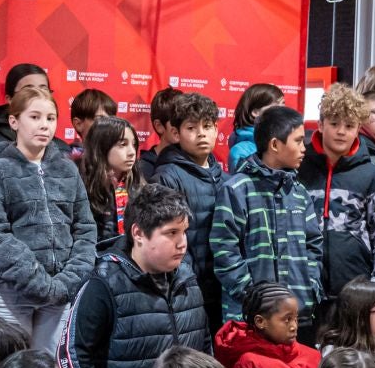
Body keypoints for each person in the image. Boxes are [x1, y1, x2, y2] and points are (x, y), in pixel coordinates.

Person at [61, 183, 210, 368]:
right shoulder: (103, 284)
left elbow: (203, 345)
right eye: (171, 233)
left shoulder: (187, 277)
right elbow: (72, 356)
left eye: (184, 231)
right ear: (138, 233)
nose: (182, 243)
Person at [0, 84, 96, 348]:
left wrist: (65, 281)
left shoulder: (66, 169)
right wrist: (39, 282)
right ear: (14, 121)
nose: (44, 125)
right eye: (35, 117)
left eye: (50, 118)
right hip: (10, 291)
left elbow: (85, 228)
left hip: (60, 292)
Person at [210, 103, 322, 326]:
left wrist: (311, 286)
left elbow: (314, 245)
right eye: (298, 141)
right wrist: (253, 297)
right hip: (249, 318)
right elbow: (224, 249)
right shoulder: (237, 189)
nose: (304, 148)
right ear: (274, 145)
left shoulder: (299, 192)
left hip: (297, 316)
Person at [297, 84, 375, 315]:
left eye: (349, 125)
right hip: (303, 287)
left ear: (358, 129)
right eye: (334, 124)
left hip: (355, 290)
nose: (341, 131)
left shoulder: (370, 174)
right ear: (320, 125)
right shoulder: (298, 168)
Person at [149, 89, 226, 327]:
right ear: (176, 132)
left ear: (216, 129)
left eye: (207, 126)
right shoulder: (166, 177)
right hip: (186, 289)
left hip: (222, 288)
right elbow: (167, 238)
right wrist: (187, 284)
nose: (201, 134)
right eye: (191, 128)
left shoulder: (226, 179)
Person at [78, 115, 148, 237]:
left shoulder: (138, 184)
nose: (132, 152)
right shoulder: (82, 187)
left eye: (134, 144)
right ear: (102, 147)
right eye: (123, 144)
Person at [0, 63, 50, 151]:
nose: (38, 96)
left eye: (44, 90)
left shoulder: (60, 148)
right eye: (28, 91)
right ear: (10, 99)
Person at [227, 83, 283, 170]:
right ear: (255, 112)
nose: (283, 110)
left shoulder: (284, 144)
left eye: (283, 104)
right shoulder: (240, 152)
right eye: (277, 105)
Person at [68, 87, 118, 153]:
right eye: (101, 119)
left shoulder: (119, 158)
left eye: (112, 119)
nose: (109, 125)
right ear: (78, 124)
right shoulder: (65, 161)